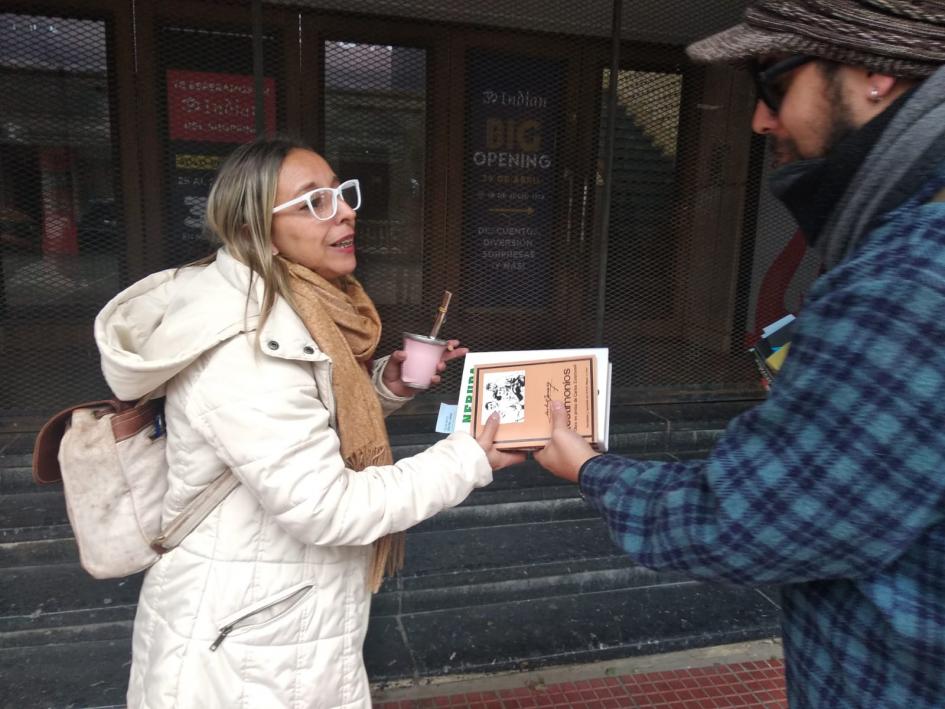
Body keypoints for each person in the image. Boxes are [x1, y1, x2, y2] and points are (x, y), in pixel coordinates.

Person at [535, 1, 945, 707]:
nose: (759, 121)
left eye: (772, 83)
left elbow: (747, 518)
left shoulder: (904, 278)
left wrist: (591, 469)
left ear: (876, 75)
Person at [94, 135, 525, 708]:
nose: (344, 210)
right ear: (253, 225)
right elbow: (327, 506)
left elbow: (303, 415)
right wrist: (466, 457)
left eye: (340, 193)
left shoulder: (296, 303)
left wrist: (385, 389)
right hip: (247, 650)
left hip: (276, 621)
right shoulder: (245, 343)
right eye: (312, 201)